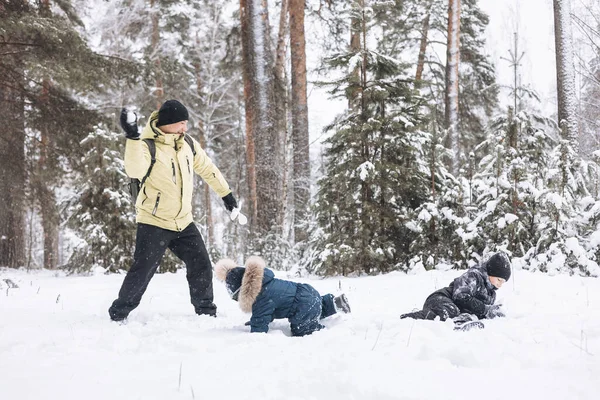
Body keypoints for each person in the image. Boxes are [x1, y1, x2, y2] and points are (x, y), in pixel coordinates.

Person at [108, 100, 238, 321]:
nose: (184, 128)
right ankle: (119, 312)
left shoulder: (187, 143)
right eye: (180, 123)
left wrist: (226, 194)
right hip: (154, 221)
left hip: (183, 221)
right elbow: (134, 169)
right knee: (143, 270)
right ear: (166, 123)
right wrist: (132, 137)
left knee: (201, 264)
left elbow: (207, 168)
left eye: (185, 123)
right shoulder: (147, 145)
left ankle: (205, 311)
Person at [215, 256, 352, 336]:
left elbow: (261, 318)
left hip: (302, 304)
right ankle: (334, 303)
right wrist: (256, 319)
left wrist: (256, 328)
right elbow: (267, 312)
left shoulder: (261, 297)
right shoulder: (265, 283)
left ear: (244, 290)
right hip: (307, 293)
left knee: (302, 328)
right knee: (316, 307)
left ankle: (328, 333)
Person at [400, 252, 511, 330]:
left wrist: (492, 312)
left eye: (503, 282)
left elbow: (478, 310)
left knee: (456, 314)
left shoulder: (491, 294)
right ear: (491, 272)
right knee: (449, 311)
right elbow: (460, 296)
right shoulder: (474, 276)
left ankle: (458, 322)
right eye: (499, 280)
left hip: (454, 308)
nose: (500, 284)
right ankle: (410, 319)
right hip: (440, 298)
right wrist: (485, 309)